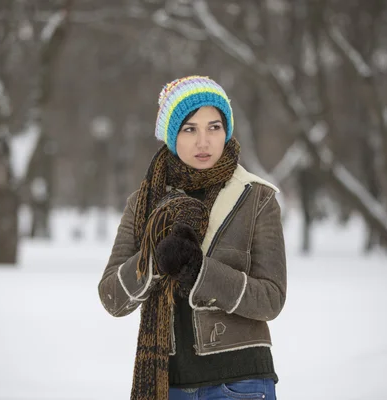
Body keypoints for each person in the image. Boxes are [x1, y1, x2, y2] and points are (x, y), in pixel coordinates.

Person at [98, 75, 287, 400]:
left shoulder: (257, 197)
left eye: (214, 127)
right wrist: (153, 261)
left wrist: (202, 273)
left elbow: (271, 299)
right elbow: (112, 297)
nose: (204, 141)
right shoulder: (143, 203)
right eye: (190, 129)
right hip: (169, 386)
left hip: (241, 382)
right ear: (172, 136)